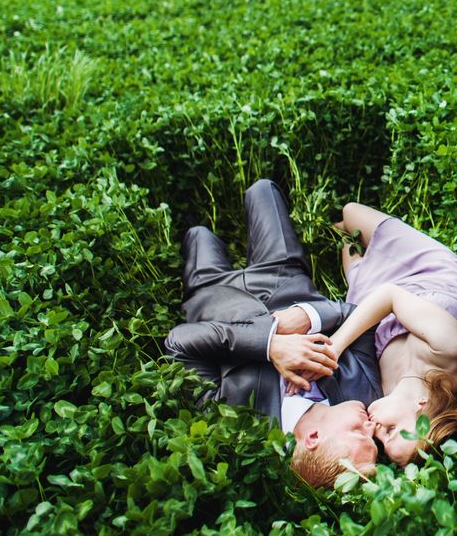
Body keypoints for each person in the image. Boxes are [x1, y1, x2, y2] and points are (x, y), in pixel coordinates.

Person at [163, 179, 382, 487]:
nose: (372, 426)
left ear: (313, 437)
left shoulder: (237, 422)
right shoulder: (367, 393)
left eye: (361, 433)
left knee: (197, 234)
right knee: (262, 189)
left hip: (213, 293)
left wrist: (269, 344)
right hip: (281, 274)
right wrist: (306, 316)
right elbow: (363, 318)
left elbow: (179, 344)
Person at [320, 203, 457, 466]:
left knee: (346, 247)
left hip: (372, 298)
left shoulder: (385, 392)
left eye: (382, 443)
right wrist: (335, 346)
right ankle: (345, 227)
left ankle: (335, 231)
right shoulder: (454, 355)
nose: (376, 432)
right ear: (422, 409)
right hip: (423, 272)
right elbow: (389, 295)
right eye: (390, 431)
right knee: (350, 212)